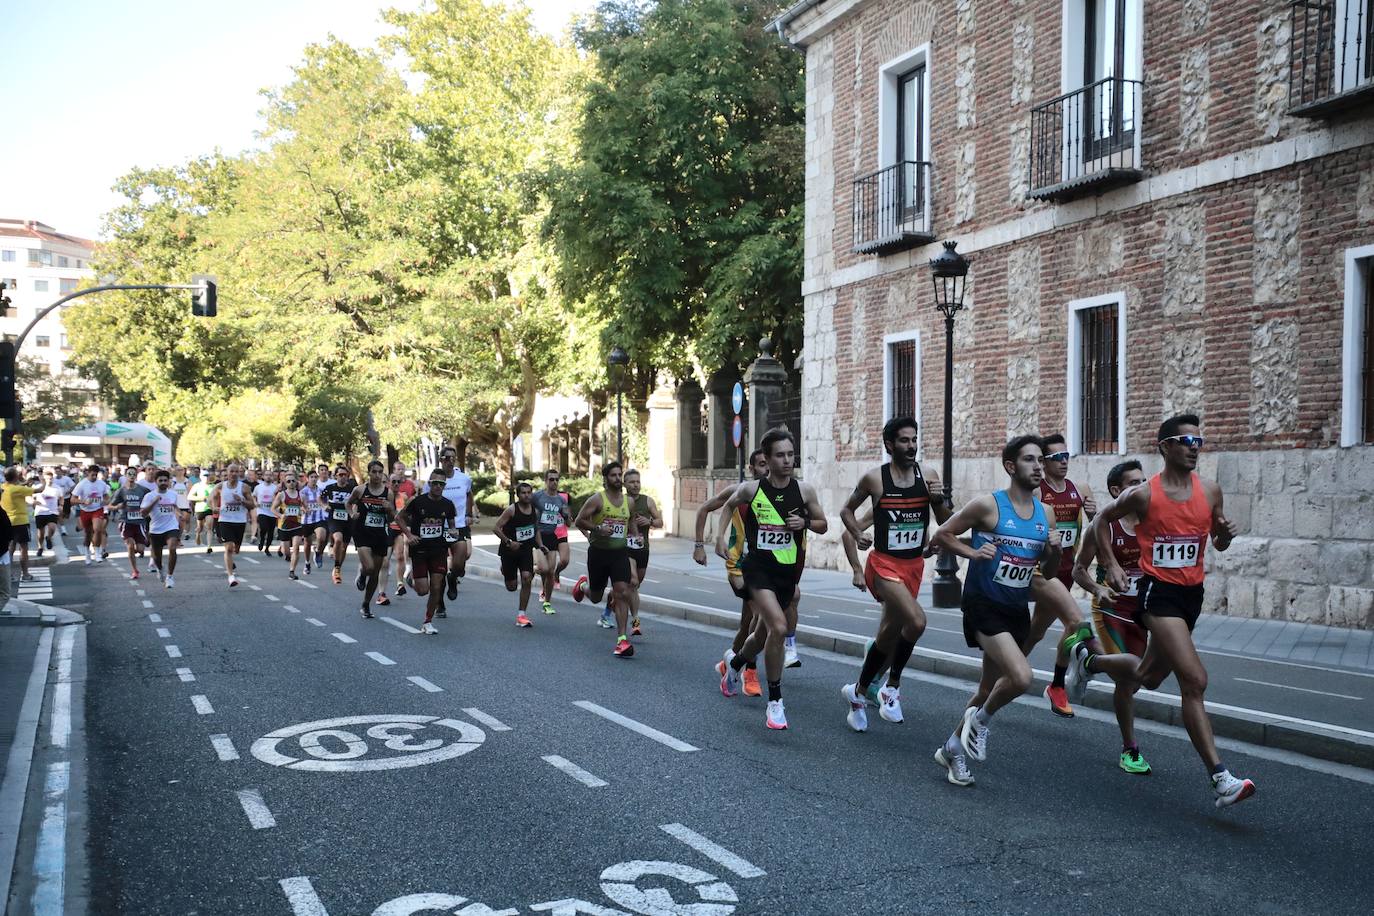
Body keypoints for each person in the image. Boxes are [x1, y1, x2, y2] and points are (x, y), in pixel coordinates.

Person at [1092, 414, 1256, 808]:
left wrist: (1224, 536)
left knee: (1148, 677)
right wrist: (1113, 566)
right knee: (1194, 680)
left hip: (1191, 596)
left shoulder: (1211, 491)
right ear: (1165, 446)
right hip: (1157, 595)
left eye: (1198, 441)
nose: (1193, 448)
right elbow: (1100, 520)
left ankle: (1090, 661)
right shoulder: (1144, 495)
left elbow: (1216, 544)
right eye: (1184, 441)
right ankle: (1221, 779)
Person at [928, 435, 1058, 787]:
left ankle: (952, 747)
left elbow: (1047, 565)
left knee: (988, 686)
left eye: (1041, 460)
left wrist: (1053, 550)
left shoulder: (1046, 513)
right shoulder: (988, 505)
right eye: (1030, 460)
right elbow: (943, 533)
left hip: (1016, 606)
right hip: (982, 603)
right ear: (1011, 466)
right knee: (1021, 677)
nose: (1038, 467)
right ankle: (981, 722)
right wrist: (972, 554)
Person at [837, 417, 950, 732]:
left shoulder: (928, 476)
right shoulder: (875, 479)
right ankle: (892, 687)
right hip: (884, 565)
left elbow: (944, 519)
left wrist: (939, 500)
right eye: (904, 440)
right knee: (916, 621)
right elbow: (846, 511)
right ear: (889, 445)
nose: (911, 446)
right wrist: (856, 535)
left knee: (888, 634)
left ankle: (858, 693)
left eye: (914, 440)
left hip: (913, 566)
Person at [714, 429, 828, 730]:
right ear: (766, 458)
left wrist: (804, 522)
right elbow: (726, 507)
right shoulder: (752, 490)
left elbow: (823, 525)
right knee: (779, 627)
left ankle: (735, 665)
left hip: (786, 573)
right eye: (780, 455)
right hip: (758, 568)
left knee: (763, 636)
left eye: (791, 454)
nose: (787, 460)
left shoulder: (805, 491)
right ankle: (776, 702)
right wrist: (718, 538)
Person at [1072, 459, 1152, 775]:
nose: (1142, 488)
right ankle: (1130, 749)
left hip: (1143, 614)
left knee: (1133, 683)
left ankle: (1088, 660)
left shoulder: (1154, 522)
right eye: (1134, 483)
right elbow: (1079, 569)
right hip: (1110, 610)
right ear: (1117, 491)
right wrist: (1097, 588)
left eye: (1144, 481)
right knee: (1131, 672)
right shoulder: (1103, 527)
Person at [1033, 433, 1098, 718]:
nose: (1063, 462)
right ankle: (1059, 684)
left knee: (1036, 630)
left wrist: (1095, 512)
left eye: (1066, 456)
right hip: (1043, 571)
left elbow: (1097, 527)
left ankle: (1006, 672)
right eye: (1056, 458)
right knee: (1076, 623)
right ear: (1044, 463)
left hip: (1068, 570)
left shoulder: (1080, 488)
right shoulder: (1038, 491)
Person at [698, 449, 768, 699]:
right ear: (751, 469)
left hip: (762, 566)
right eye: (761, 464)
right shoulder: (739, 492)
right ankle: (749, 670)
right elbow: (704, 509)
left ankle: (729, 662)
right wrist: (700, 545)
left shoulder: (780, 495)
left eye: (767, 464)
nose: (766, 469)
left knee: (746, 625)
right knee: (760, 615)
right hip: (737, 565)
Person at [572, 461, 637, 658]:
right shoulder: (597, 500)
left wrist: (635, 535)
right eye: (613, 475)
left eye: (620, 475)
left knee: (622, 592)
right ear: (606, 479)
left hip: (619, 553)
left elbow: (631, 520)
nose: (618, 479)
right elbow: (579, 520)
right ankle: (582, 587)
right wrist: (597, 529)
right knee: (596, 597)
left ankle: (622, 640)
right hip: (599, 553)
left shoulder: (629, 502)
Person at [349, 460, 409, 619]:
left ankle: (366, 604)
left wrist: (389, 509)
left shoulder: (388, 493)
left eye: (380, 472)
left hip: (380, 534)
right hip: (362, 533)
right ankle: (362, 574)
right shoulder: (360, 490)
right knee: (368, 568)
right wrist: (352, 514)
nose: (377, 475)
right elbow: (348, 504)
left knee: (375, 573)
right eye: (374, 472)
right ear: (368, 473)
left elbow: (391, 519)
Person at [403, 470, 457, 635]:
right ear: (430, 484)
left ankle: (427, 621)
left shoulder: (448, 504)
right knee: (422, 591)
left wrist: (453, 531)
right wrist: (409, 534)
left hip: (439, 549)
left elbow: (452, 524)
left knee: (436, 586)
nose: (438, 487)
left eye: (441, 484)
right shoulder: (417, 502)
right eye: (435, 483)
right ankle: (410, 577)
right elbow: (399, 518)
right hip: (419, 549)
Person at [624, 469, 664, 637]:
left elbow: (661, 522)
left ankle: (613, 601)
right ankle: (635, 622)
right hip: (625, 548)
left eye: (638, 482)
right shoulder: (621, 501)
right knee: (632, 582)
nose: (635, 485)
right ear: (625, 484)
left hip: (642, 548)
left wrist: (649, 521)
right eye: (632, 482)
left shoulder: (648, 501)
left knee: (635, 585)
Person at [494, 482, 539, 628]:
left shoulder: (534, 511)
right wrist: (509, 542)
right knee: (511, 587)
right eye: (523, 493)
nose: (526, 495)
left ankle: (521, 615)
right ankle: (505, 569)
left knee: (527, 578)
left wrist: (541, 545)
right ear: (518, 495)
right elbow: (496, 528)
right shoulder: (511, 510)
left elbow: (535, 529)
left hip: (526, 550)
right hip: (509, 550)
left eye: (529, 492)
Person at [438, 447, 475, 612]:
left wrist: (468, 513)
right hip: (438, 528)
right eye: (446, 458)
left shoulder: (464, 479)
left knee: (459, 564)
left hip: (458, 526)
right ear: (441, 459)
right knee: (438, 570)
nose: (450, 461)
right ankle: (439, 603)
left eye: (453, 458)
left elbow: (469, 495)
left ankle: (452, 579)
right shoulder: (435, 479)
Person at [533, 469, 572, 614]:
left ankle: (547, 602)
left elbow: (568, 522)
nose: (554, 482)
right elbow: (524, 507)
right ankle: (531, 568)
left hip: (551, 536)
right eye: (551, 479)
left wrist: (567, 516)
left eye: (557, 479)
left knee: (550, 572)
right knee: (543, 569)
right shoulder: (537, 496)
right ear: (545, 481)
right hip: (538, 536)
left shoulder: (561, 500)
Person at [211, 463, 255, 587]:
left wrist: (241, 500)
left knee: (236, 549)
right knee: (229, 548)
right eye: (232, 471)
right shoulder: (220, 486)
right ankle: (231, 576)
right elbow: (212, 498)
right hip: (225, 520)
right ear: (228, 473)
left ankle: (230, 561)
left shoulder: (244, 487)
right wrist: (214, 507)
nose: (234, 474)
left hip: (240, 521)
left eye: (236, 472)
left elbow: (252, 505)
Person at [141, 469, 182, 588]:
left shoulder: (173, 494)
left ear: (169, 481)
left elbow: (175, 506)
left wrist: (179, 513)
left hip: (171, 526)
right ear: (156, 482)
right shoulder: (150, 496)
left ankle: (170, 576)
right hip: (156, 529)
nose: (163, 482)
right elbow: (143, 513)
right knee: (157, 557)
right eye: (161, 480)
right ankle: (160, 569)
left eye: (165, 480)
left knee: (172, 548)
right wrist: (154, 502)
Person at [271, 471, 310, 580]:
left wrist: (305, 510)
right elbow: (273, 509)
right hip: (284, 526)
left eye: (293, 481)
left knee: (296, 548)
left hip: (297, 525)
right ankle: (287, 555)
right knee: (286, 551)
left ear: (296, 482)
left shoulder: (301, 495)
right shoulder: (281, 495)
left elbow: (306, 508)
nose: (291, 483)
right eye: (288, 481)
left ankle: (292, 571)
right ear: (285, 483)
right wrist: (280, 515)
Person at [320, 466, 355, 585]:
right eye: (340, 475)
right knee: (338, 539)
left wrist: (353, 511)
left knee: (344, 547)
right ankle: (336, 567)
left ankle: (338, 567)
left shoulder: (352, 489)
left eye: (345, 475)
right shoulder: (330, 488)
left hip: (348, 519)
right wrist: (324, 506)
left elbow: (356, 502)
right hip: (334, 518)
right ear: (335, 476)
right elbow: (320, 498)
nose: (343, 477)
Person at [387, 463, 416, 600]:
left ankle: (400, 584)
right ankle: (380, 590)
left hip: (398, 529)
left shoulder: (403, 497)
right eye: (394, 481)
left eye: (399, 482)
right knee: (384, 561)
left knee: (399, 556)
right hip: (385, 531)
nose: (397, 483)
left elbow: (406, 514)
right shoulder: (384, 496)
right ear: (389, 482)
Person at [117, 468, 152, 580]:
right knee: (131, 546)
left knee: (140, 549)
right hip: (126, 522)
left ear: (136, 476)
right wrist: (118, 506)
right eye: (129, 474)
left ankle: (132, 551)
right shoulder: (121, 491)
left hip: (140, 522)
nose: (131, 476)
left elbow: (151, 501)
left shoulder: (143, 490)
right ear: (125, 476)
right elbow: (110, 505)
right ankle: (135, 570)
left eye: (133, 474)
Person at [1, 468, 36, 582]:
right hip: (20, 521)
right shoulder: (18, 489)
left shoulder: (3, 487)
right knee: (23, 549)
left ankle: (9, 575)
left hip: (6, 522)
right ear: (15, 477)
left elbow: (17, 486)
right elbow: (40, 489)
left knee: (9, 549)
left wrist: (25, 483)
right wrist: (42, 480)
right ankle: (25, 575)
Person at [72, 465, 111, 565]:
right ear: (88, 473)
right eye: (92, 475)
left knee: (98, 529)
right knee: (87, 534)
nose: (94, 477)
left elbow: (107, 497)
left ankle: (97, 553)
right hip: (85, 511)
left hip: (97, 509)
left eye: (96, 475)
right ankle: (87, 554)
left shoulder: (101, 484)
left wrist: (105, 501)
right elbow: (72, 500)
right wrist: (83, 501)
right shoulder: (82, 484)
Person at [301, 470, 328, 569]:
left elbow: (325, 502)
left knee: (322, 537)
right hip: (306, 520)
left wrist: (325, 506)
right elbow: (300, 504)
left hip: (319, 518)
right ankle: (307, 562)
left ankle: (318, 552)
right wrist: (304, 509)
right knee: (307, 543)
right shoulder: (303, 491)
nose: (313, 479)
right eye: (311, 477)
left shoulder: (321, 490)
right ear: (307, 478)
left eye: (315, 477)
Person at [32, 470, 63, 558]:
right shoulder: (38, 487)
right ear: (44, 479)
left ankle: (49, 538)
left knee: (52, 527)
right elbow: (30, 496)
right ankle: (40, 547)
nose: (50, 480)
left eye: (51, 478)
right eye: (48, 478)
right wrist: (33, 501)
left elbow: (61, 498)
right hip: (40, 511)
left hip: (52, 511)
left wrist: (61, 505)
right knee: (40, 533)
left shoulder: (57, 488)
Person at [188, 468, 217, 552]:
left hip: (209, 508)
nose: (206, 477)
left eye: (207, 476)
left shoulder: (213, 486)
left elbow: (217, 497)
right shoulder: (197, 486)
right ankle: (198, 534)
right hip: (199, 509)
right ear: (201, 477)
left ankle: (209, 546)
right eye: (204, 476)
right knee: (200, 527)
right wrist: (201, 498)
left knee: (209, 526)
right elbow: (189, 497)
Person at [253, 473, 279, 554]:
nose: (268, 476)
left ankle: (267, 547)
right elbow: (253, 496)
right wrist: (255, 503)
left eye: (270, 475)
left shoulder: (275, 488)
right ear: (263, 477)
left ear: (272, 477)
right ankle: (262, 540)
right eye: (266, 475)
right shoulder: (258, 487)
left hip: (272, 511)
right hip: (262, 510)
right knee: (263, 527)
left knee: (271, 531)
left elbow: (279, 498)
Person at [54, 466, 76, 536]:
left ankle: (62, 517)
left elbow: (73, 486)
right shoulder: (53, 480)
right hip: (57, 499)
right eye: (56, 471)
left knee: (66, 514)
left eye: (58, 471)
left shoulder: (66, 479)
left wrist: (68, 492)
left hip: (66, 498)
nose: (57, 473)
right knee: (60, 513)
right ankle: (63, 530)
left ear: (61, 472)